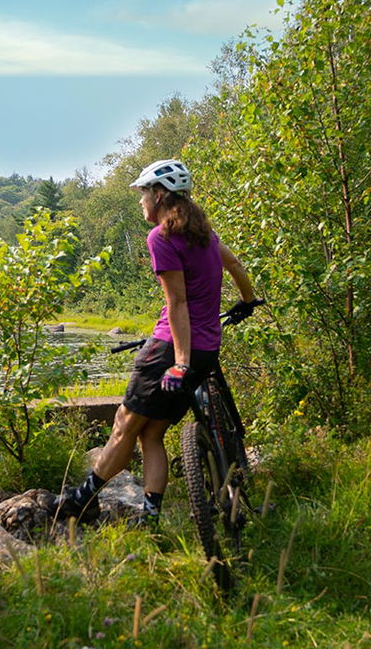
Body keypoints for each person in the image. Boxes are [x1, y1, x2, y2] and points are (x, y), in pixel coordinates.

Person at [55, 159, 259, 525]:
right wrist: (247, 302)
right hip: (207, 350)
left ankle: (77, 503)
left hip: (170, 350)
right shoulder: (205, 235)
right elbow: (237, 265)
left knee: (124, 425)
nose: (140, 202)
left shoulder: (161, 238)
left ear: (160, 195)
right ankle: (149, 517)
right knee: (152, 434)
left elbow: (177, 302)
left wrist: (178, 361)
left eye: (143, 194)